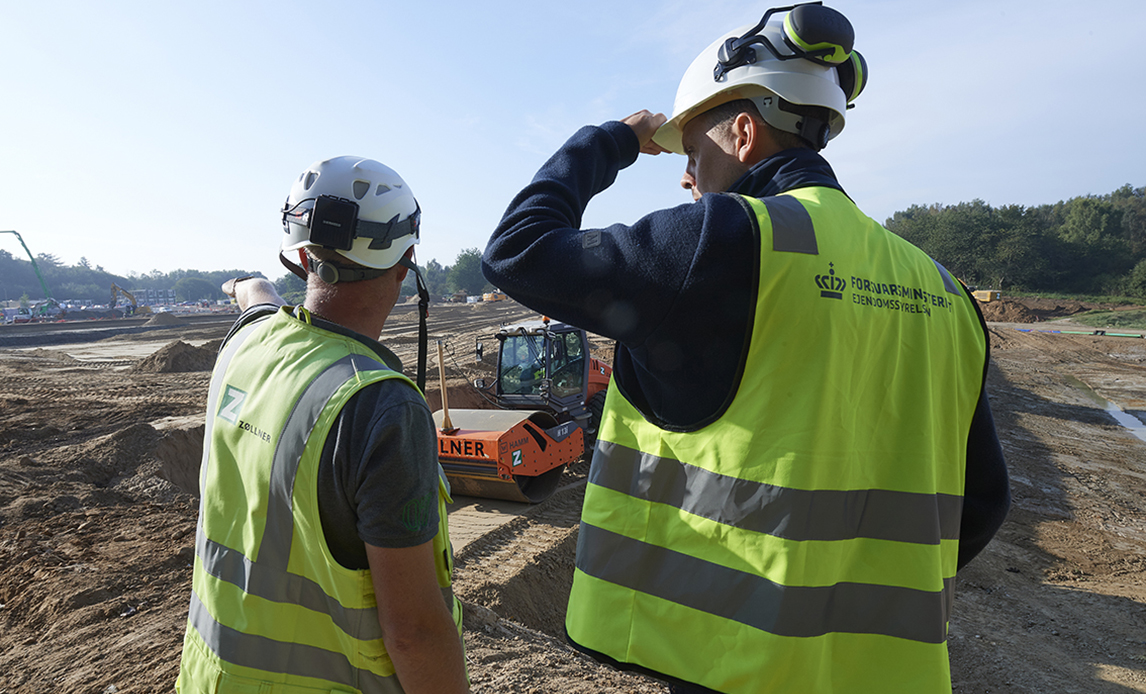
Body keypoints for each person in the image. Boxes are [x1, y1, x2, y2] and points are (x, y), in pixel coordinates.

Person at [482, 4, 1010, 693]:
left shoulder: (725, 240)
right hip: (879, 670)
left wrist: (611, 140)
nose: (685, 176)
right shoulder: (944, 291)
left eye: (692, 153)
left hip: (721, 662)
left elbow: (517, 251)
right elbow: (983, 501)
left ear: (742, 131)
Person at [176, 156, 469, 693]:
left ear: (302, 257)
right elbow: (413, 633)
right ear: (406, 263)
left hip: (210, 677)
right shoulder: (382, 406)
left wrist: (247, 284)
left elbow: (259, 303)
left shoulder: (245, 345)